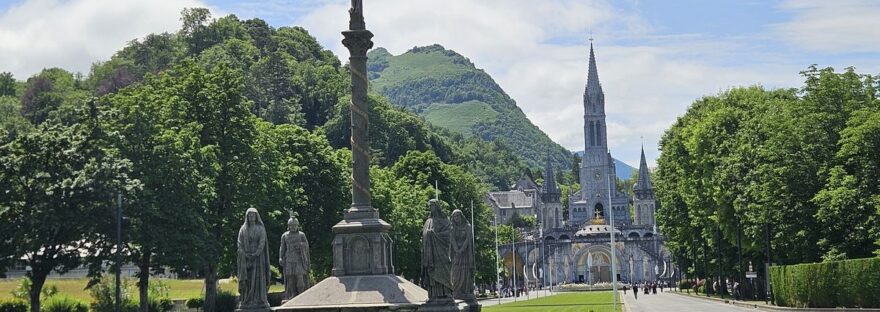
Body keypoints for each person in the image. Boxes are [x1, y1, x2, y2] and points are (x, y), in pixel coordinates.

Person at [237, 208, 271, 312]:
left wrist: (256, 253)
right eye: (250, 215)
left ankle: (259, 300)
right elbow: (239, 243)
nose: (251, 217)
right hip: (246, 258)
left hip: (258, 258)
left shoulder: (260, 228)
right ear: (247, 217)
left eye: (253, 215)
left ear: (256, 216)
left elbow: (262, 242)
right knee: (247, 279)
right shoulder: (243, 229)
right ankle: (246, 300)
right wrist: (245, 254)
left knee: (258, 278)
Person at [421, 199, 454, 301]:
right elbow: (424, 236)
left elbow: (448, 234)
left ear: (437, 206)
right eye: (429, 206)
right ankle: (433, 294)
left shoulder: (445, 220)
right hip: (431, 253)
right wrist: (428, 235)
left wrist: (434, 234)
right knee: (432, 273)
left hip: (442, 251)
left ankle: (446, 292)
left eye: (432, 205)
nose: (430, 208)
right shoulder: (428, 221)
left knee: (444, 272)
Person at [279, 214, 310, 301]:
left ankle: (302, 294)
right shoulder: (285, 235)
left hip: (299, 259)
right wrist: (280, 257)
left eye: (295, 225)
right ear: (288, 226)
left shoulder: (301, 235)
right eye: (291, 225)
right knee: (290, 277)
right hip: (288, 258)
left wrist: (301, 245)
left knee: (299, 276)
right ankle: (292, 295)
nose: (293, 227)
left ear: (297, 225)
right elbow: (282, 247)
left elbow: (306, 246)